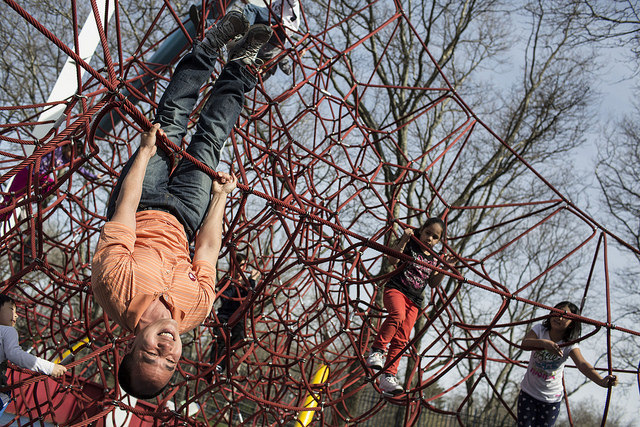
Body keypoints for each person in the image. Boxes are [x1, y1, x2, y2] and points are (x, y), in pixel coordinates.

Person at [91, 10, 273, 399]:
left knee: (171, 120)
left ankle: (208, 48)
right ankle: (242, 65)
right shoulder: (194, 311)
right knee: (212, 137)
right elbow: (207, 249)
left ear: (131, 349)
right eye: (170, 363)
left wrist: (143, 154)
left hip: (143, 201)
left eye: (150, 357)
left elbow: (124, 213)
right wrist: (220, 200)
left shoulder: (113, 288)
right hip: (189, 216)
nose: (165, 351)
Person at [365, 217, 451, 395]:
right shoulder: (411, 243)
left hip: (415, 300)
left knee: (402, 337)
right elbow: (391, 259)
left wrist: (445, 268)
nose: (430, 239)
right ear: (421, 230)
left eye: (435, 237)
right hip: (397, 289)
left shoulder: (435, 257)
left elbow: (433, 282)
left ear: (439, 240)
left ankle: (388, 376)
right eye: (428, 233)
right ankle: (377, 350)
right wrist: (404, 239)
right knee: (397, 315)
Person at [517, 301, 618, 427]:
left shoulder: (569, 344)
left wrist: (601, 381)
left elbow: (582, 364)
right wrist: (543, 344)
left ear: (571, 324)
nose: (559, 317)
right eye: (557, 312)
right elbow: (525, 344)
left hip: (551, 399)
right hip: (529, 393)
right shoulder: (540, 330)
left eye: (564, 316)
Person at [0, 295, 66, 414]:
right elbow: (15, 354)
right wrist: (50, 367)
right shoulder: (7, 331)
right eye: (11, 309)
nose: (16, 315)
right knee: (4, 396)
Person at [210, 253, 260, 375]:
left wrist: (252, 280)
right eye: (240, 266)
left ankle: (220, 366)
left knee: (239, 338)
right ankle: (213, 364)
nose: (242, 269)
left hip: (239, 317)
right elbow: (226, 298)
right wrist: (236, 283)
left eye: (243, 266)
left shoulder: (248, 284)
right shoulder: (227, 281)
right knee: (220, 338)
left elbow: (249, 299)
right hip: (225, 314)